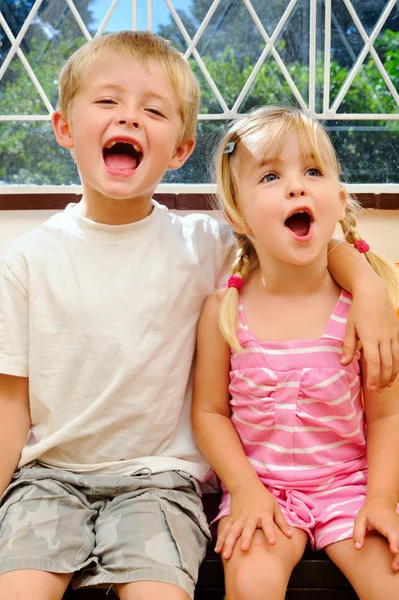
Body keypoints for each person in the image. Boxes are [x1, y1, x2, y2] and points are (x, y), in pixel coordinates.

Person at [0, 32, 397, 600]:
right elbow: (9, 403)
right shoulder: (27, 261)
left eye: (153, 109)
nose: (130, 120)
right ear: (64, 126)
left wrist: (368, 285)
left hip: (163, 481)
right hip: (50, 480)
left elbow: (294, 247)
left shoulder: (202, 244)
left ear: (181, 148)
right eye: (109, 102)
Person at [192, 105, 399, 600]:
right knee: (252, 584)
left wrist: (383, 500)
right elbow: (209, 412)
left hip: (350, 486)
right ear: (237, 211)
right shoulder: (225, 310)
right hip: (261, 489)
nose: (296, 187)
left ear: (340, 197)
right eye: (270, 175)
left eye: (312, 171)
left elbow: (387, 416)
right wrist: (244, 490)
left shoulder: (364, 307)